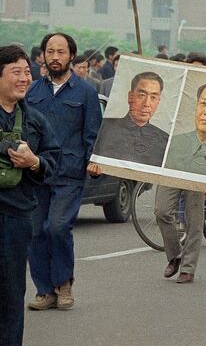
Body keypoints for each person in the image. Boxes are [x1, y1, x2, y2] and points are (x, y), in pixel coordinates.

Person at [25, 33, 102, 311]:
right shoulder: (32, 91)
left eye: (61, 52)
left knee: (57, 227)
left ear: (72, 55)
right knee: (35, 231)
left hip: (69, 172)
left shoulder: (86, 93)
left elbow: (93, 133)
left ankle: (64, 283)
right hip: (35, 172)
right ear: (43, 55)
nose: (55, 56)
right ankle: (44, 291)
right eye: (50, 51)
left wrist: (94, 162)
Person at [0, 45, 59, 346]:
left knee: (11, 294)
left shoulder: (35, 120)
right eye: (16, 72)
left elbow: (53, 161)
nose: (24, 78)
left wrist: (34, 162)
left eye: (27, 72)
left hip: (17, 216)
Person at [91, 72, 169, 167]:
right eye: (142, 95)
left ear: (158, 102)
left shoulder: (164, 140)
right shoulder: (105, 127)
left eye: (153, 97)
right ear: (130, 96)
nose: (147, 104)